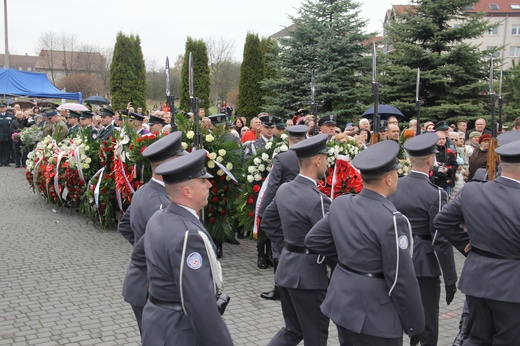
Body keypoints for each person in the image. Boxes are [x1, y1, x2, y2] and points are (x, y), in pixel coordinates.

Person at [305, 140, 425, 345]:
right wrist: (416, 324)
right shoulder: (394, 219)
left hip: (343, 301)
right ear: (388, 179)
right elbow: (400, 278)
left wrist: (348, 257)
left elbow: (314, 240)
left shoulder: (342, 203)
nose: (398, 176)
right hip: (376, 313)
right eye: (396, 172)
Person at [131, 150, 233, 346]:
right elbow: (200, 305)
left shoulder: (159, 216)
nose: (210, 184)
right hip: (178, 330)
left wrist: (158, 285)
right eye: (203, 181)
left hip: (157, 321)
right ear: (187, 191)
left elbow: (138, 257)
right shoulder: (189, 235)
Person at [433, 139, 520, 346]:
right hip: (512, 287)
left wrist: (469, 247)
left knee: (477, 338)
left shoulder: (473, 190)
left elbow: (442, 221)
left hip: (477, 279)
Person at [261, 133, 332, 346]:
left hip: (286, 269)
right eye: (326, 159)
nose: (328, 164)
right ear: (318, 160)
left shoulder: (284, 189)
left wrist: (287, 247)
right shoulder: (318, 200)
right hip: (310, 277)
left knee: (293, 330)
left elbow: (268, 221)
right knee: (316, 336)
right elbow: (329, 243)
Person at [388, 133, 457, 346]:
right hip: (423, 263)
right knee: (427, 322)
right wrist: (451, 278)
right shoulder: (435, 193)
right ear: (430, 160)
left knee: (396, 316)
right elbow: (440, 238)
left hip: (395, 259)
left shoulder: (395, 185)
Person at [120, 132, 186, 337]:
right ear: (169, 165)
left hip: (140, 285)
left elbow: (124, 226)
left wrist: (142, 250)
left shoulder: (143, 191)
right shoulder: (164, 202)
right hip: (153, 289)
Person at [258, 125, 309, 300]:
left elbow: (272, 186)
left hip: (283, 208)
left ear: (288, 139)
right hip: (306, 208)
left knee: (279, 248)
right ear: (305, 137)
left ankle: (280, 288)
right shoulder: (309, 157)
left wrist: (264, 210)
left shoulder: (282, 158)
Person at [430, 130, 458, 195]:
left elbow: (455, 166)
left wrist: (447, 169)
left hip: (446, 181)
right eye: (439, 139)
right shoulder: (430, 152)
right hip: (433, 181)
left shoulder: (450, 152)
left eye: (443, 139)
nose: (441, 141)